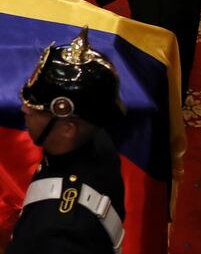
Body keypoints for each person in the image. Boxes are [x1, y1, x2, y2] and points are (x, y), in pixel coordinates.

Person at [8, 28, 127, 254]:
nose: (25, 108)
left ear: (68, 128)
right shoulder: (96, 140)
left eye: (37, 110)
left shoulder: (59, 234)